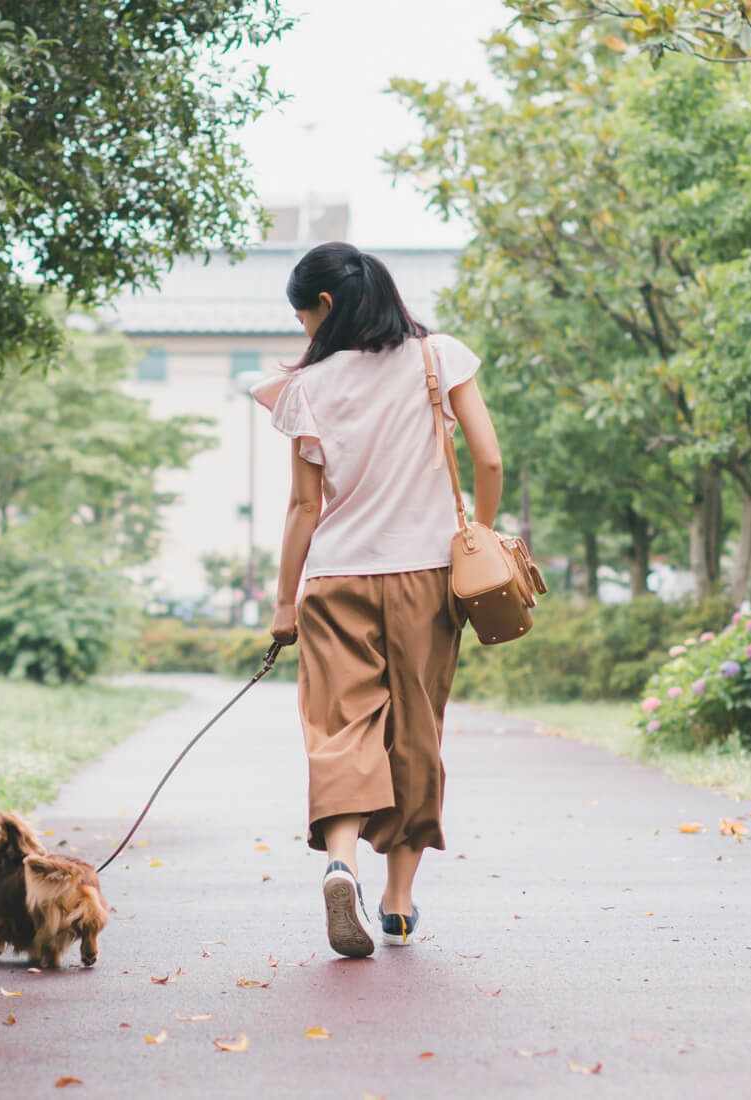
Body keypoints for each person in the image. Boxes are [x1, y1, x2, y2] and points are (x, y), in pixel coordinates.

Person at [251, 242, 503, 959]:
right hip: (426, 574)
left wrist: (282, 605)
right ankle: (396, 904)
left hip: (334, 579)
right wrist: (477, 534)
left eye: (302, 318)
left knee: (340, 726)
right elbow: (488, 457)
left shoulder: (306, 388)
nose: (305, 332)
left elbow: (303, 508)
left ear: (324, 307)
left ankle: (341, 865)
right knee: (415, 729)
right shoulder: (439, 356)